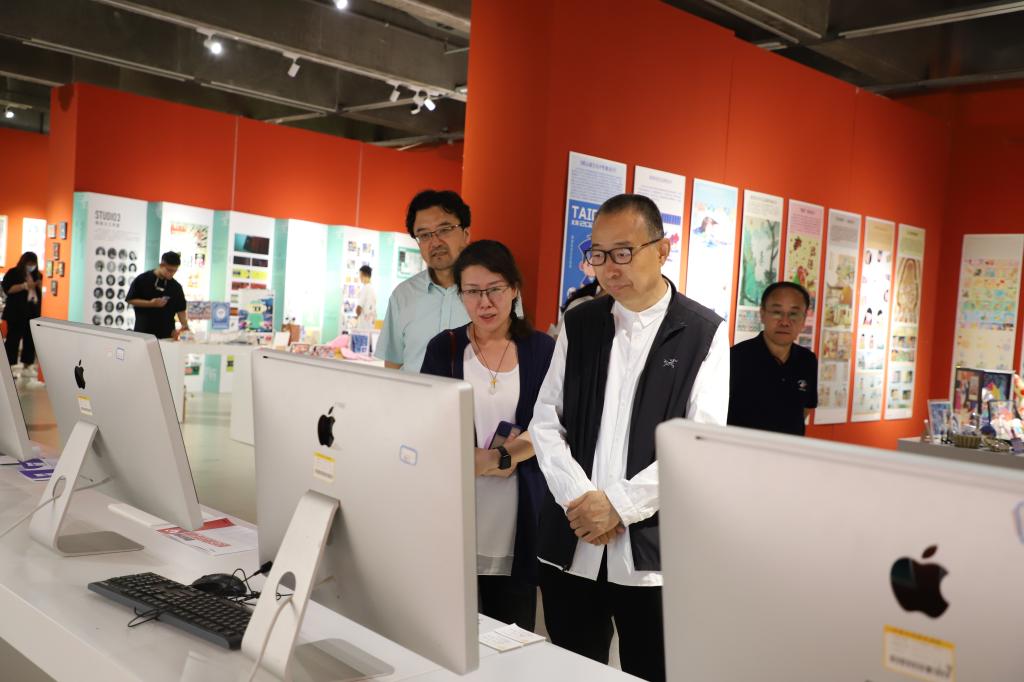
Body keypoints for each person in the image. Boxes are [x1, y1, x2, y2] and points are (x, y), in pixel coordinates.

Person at [531, 194, 729, 682]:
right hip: (572, 541)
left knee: (652, 670)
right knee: (571, 669)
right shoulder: (581, 323)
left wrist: (617, 506)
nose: (609, 267)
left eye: (623, 252)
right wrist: (582, 501)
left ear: (662, 250)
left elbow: (700, 447)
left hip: (651, 553)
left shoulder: (702, 332)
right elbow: (545, 420)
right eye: (598, 253)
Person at [420, 240, 555, 630]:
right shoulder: (444, 348)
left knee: (509, 632)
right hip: (456, 511)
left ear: (514, 289)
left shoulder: (541, 350)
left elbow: (552, 424)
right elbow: (427, 422)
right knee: (448, 629)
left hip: (518, 514)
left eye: (495, 289)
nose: (485, 302)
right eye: (472, 292)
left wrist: (502, 457)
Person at [376, 190, 472, 373]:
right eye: (425, 235)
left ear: (466, 234)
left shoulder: (493, 292)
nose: (435, 242)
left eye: (444, 230)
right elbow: (393, 366)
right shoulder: (403, 295)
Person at [727, 281, 818, 436]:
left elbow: (807, 407)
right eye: (777, 312)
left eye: (794, 314)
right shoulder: (735, 358)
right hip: (741, 448)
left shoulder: (807, 360)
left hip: (789, 449)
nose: (785, 322)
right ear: (762, 314)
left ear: (804, 319)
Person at [126, 251, 189, 339]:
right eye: (169, 270)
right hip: (143, 332)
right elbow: (130, 299)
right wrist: (151, 304)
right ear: (161, 265)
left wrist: (185, 327)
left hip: (167, 334)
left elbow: (181, 310)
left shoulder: (176, 287)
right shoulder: (142, 279)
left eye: (174, 271)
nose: (171, 274)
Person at [1, 251, 43, 370]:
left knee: (30, 339)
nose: (31, 266)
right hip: (16, 312)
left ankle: (27, 364)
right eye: (29, 263)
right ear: (23, 262)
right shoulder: (13, 273)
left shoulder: (38, 275)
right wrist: (24, 286)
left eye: (33, 264)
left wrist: (38, 286)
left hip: (32, 312)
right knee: (13, 339)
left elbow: (40, 294)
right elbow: (8, 289)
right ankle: (9, 365)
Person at [354, 265, 377, 331]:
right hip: (370, 326)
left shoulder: (365, 288)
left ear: (364, 274)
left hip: (363, 327)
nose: (360, 277)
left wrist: (356, 316)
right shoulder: (372, 289)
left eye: (360, 275)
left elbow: (359, 308)